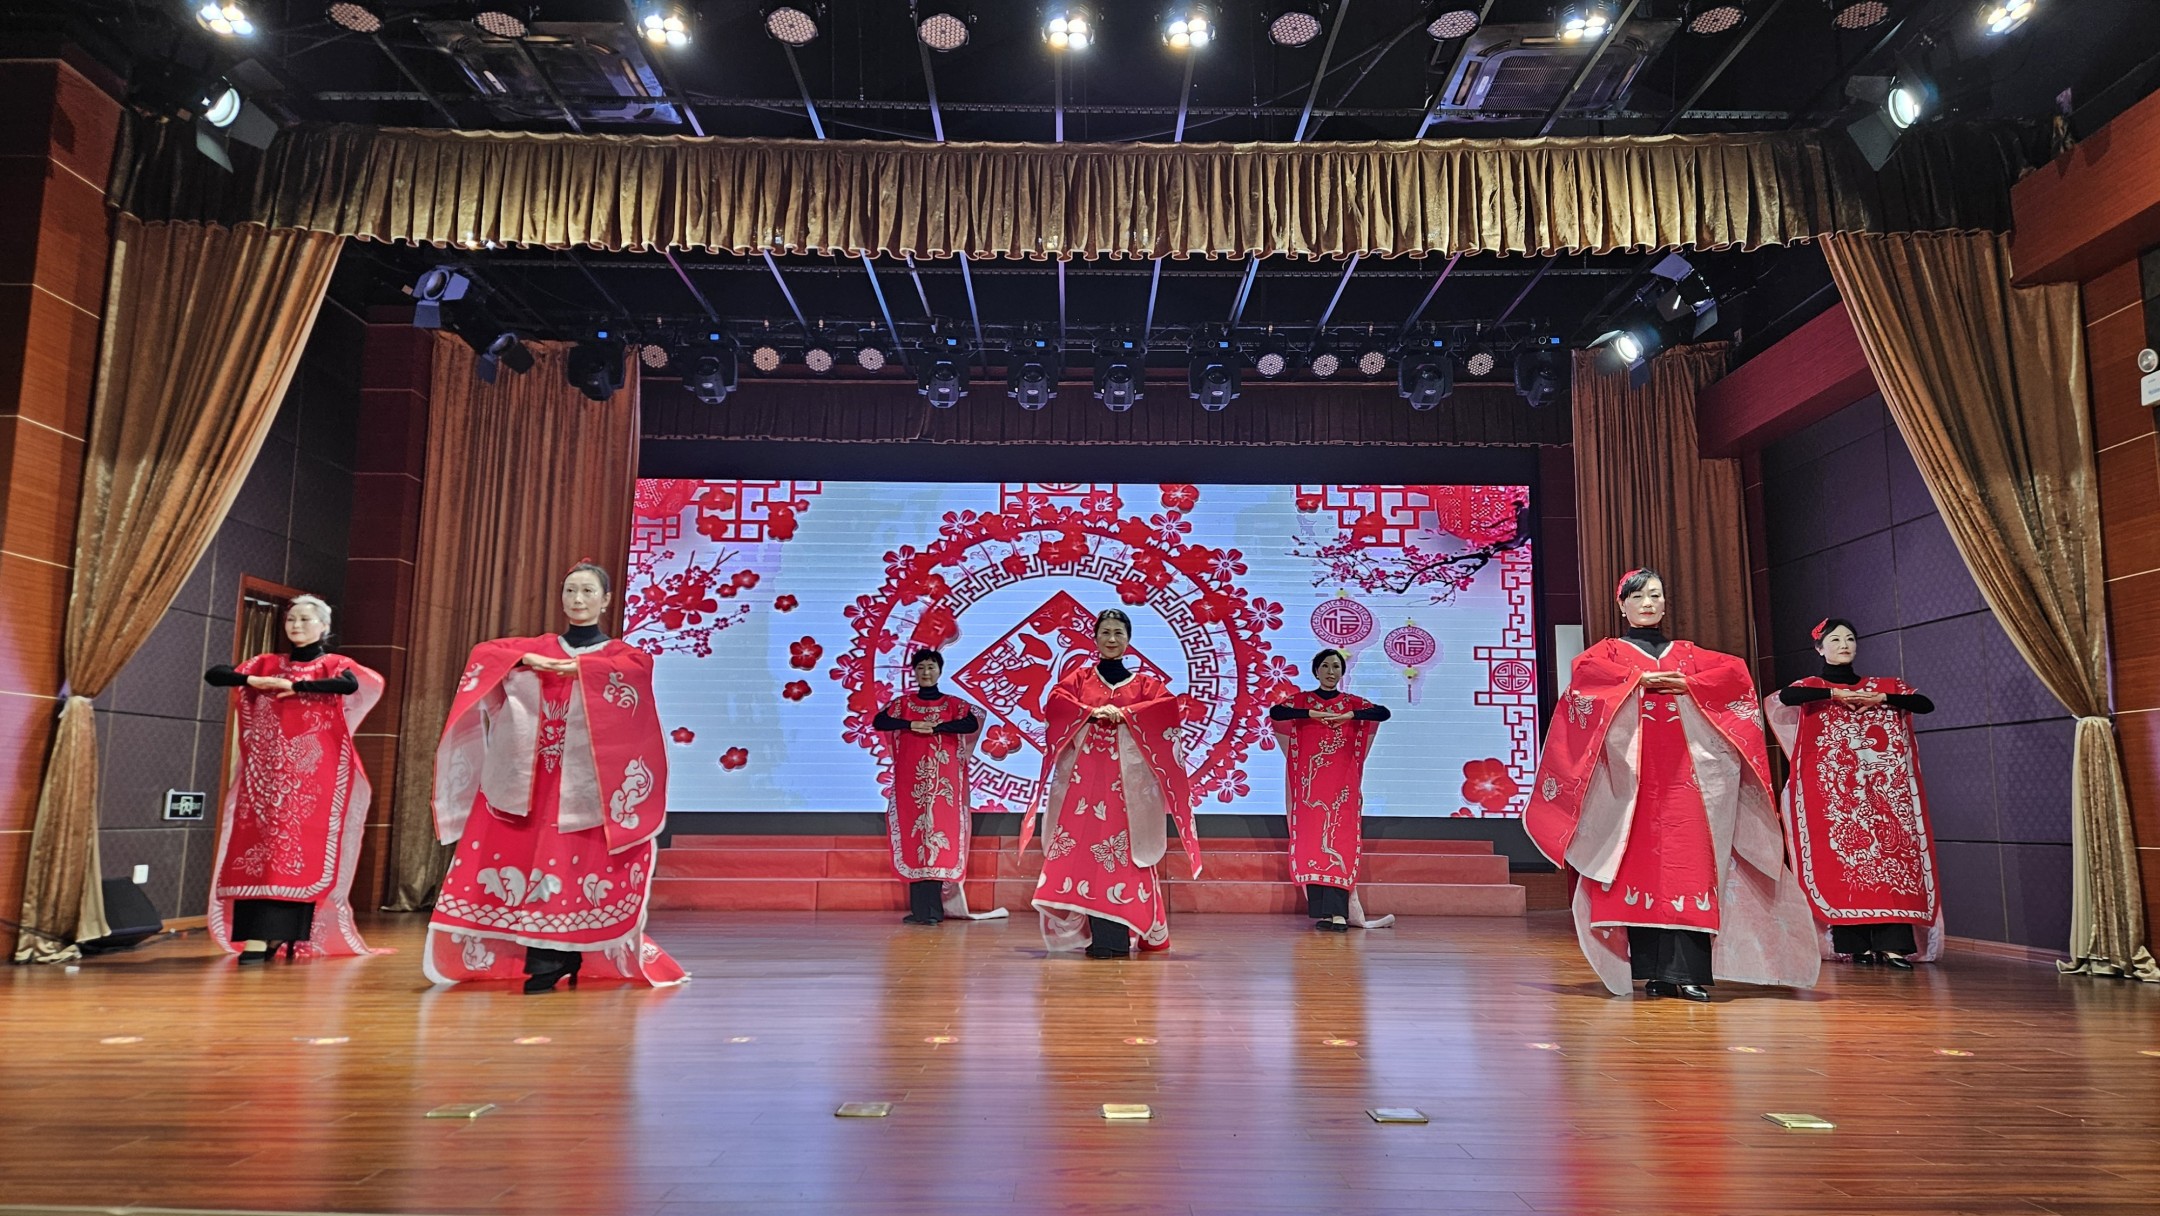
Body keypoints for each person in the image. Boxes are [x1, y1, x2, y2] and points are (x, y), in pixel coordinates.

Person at [1525, 568, 1819, 1001]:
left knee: (1692, 866)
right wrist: (1636, 682)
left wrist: (1688, 684)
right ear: (1622, 605)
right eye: (1638, 596)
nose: (1648, 603)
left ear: (1665, 603)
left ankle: (1688, 971)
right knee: (1638, 869)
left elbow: (1735, 678)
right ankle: (1654, 972)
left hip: (1691, 781)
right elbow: (1585, 686)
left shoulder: (1690, 655)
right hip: (1633, 785)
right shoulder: (1607, 654)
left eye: (1655, 595)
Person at [423, 561, 687, 993]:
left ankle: (557, 959)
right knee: (528, 863)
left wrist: (580, 671)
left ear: (606, 600)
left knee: (571, 866)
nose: (577, 600)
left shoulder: (622, 656)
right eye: (570, 591)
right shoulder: (538, 647)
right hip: (530, 783)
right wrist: (523, 658)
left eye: (588, 591)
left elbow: (636, 675)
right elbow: (486, 654)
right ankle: (543, 959)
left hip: (587, 788)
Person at [203, 595, 385, 964]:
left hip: (311, 778)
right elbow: (215, 674)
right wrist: (253, 679)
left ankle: (280, 935)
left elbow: (349, 686)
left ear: (324, 627)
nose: (296, 626)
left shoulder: (333, 664)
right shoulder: (267, 663)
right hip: (264, 778)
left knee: (296, 850)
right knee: (258, 848)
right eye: (291, 620)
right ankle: (257, 936)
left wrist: (298, 688)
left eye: (305, 619)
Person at [1020, 609, 1202, 958]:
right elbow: (1056, 706)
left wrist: (1128, 715)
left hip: (1127, 792)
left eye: (1119, 632)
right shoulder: (1077, 680)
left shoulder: (1146, 686)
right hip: (1083, 788)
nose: (1112, 639)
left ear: (1129, 639)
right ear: (1095, 637)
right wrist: (1090, 714)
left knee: (1122, 856)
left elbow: (1166, 711)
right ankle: (1095, 936)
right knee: (1086, 856)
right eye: (1105, 632)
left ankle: (1115, 937)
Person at [1765, 618, 1943, 968]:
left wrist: (1881, 699)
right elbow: (1786, 697)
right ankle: (1855, 945)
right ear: (1820, 649)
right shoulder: (1812, 688)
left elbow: (1924, 704)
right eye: (1835, 640)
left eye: (1849, 638)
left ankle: (1894, 945)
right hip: (1834, 798)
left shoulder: (1884, 687)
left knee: (1891, 863)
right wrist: (1836, 695)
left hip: (1885, 795)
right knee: (1844, 864)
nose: (1844, 644)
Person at [873, 649, 1007, 925]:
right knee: (914, 838)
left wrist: (937, 728)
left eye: (931, 667)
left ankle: (933, 910)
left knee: (936, 838)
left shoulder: (953, 705)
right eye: (921, 667)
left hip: (943, 786)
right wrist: (911, 723)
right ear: (914, 671)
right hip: (910, 785)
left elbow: (971, 722)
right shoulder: (902, 704)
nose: (926, 672)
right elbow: (880, 720)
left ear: (940, 671)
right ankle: (921, 911)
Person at [1269, 648, 1394, 932]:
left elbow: (1383, 712)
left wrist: (1350, 715)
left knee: (1338, 842)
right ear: (1316, 671)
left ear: (1342, 672)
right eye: (1325, 666)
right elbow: (1276, 712)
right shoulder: (1302, 701)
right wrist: (1310, 714)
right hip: (1310, 791)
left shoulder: (1351, 703)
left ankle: (1339, 913)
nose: (1330, 672)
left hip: (1341, 791)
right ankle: (1323, 914)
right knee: (1313, 844)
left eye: (1336, 667)